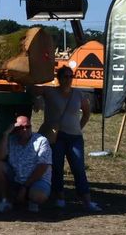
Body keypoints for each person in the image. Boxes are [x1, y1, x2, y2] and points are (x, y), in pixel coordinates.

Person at [36, 66, 102, 211]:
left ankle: (87, 201)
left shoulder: (78, 93)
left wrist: (79, 127)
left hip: (75, 137)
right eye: (65, 77)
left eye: (71, 76)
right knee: (57, 167)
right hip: (56, 136)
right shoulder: (50, 92)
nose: (68, 79)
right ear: (59, 78)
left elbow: (86, 113)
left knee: (78, 168)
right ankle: (60, 198)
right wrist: (36, 100)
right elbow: (32, 89)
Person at [0, 115, 52, 214]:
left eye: (28, 127)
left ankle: (32, 202)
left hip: (37, 180)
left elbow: (42, 167)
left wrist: (25, 187)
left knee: (38, 196)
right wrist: (6, 134)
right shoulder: (11, 140)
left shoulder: (41, 141)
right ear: (15, 129)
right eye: (21, 127)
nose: (25, 129)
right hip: (17, 177)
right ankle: (5, 200)